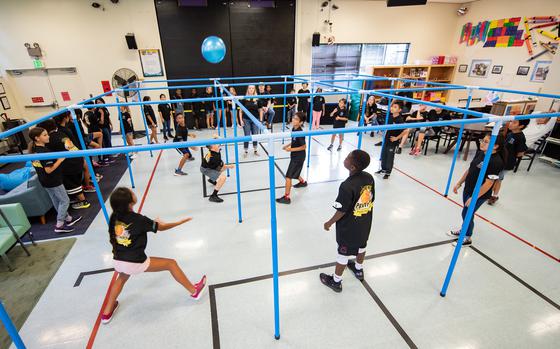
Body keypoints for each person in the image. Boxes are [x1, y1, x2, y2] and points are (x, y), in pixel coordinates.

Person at [101, 187, 206, 324]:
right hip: (135, 262)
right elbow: (161, 227)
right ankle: (194, 291)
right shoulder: (139, 219)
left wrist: (152, 223)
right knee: (171, 264)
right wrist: (179, 222)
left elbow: (137, 227)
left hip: (118, 260)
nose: (133, 193)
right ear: (129, 202)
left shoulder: (114, 217)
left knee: (122, 277)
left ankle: (106, 313)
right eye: (131, 193)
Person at [320, 150, 374, 292]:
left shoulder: (346, 186)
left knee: (343, 253)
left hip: (348, 228)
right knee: (362, 247)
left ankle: (336, 281)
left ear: (352, 167)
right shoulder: (369, 178)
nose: (345, 158)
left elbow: (341, 210)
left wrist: (329, 222)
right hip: (365, 223)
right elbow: (370, 199)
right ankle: (358, 269)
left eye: (347, 158)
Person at [448, 134, 505, 246]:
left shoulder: (496, 162)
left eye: (486, 141)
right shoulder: (480, 153)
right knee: (466, 212)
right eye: (482, 140)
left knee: (467, 213)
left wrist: (474, 197)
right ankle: (463, 231)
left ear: (495, 146)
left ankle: (467, 237)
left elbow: (489, 183)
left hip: (480, 194)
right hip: (468, 189)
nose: (481, 143)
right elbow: (470, 169)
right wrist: (460, 183)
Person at [28, 127, 82, 233]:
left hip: (45, 181)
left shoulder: (34, 150)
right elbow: (49, 170)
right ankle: (60, 224)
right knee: (65, 200)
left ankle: (68, 218)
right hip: (53, 180)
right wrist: (60, 160)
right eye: (45, 135)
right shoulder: (43, 152)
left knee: (57, 201)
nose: (48, 136)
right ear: (37, 138)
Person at [38, 119, 91, 210]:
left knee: (72, 183)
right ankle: (78, 196)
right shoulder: (61, 134)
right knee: (75, 181)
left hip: (70, 164)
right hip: (77, 159)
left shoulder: (50, 140)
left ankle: (83, 201)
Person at [488, 119, 530, 205]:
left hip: (507, 163)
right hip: (500, 160)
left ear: (521, 126)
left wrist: (510, 155)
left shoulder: (520, 137)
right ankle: (488, 193)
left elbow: (520, 153)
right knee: (493, 177)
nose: (510, 124)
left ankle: (494, 196)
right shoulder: (510, 134)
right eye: (511, 121)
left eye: (514, 123)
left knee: (498, 179)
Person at [276, 112, 308, 204]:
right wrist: (287, 145)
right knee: (295, 172)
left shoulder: (300, 132)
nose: (293, 120)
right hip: (295, 156)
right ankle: (302, 182)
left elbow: (304, 146)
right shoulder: (294, 128)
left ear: (301, 122)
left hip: (298, 157)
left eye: (296, 119)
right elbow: (294, 141)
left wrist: (290, 149)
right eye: (294, 118)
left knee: (288, 176)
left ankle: (286, 198)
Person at [376, 101, 405, 179]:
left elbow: (406, 131)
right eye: (392, 106)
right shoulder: (390, 116)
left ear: (400, 110)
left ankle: (388, 172)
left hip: (393, 142)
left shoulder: (400, 120)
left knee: (390, 157)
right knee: (384, 155)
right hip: (386, 139)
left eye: (395, 107)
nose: (392, 108)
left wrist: (397, 138)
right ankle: (383, 169)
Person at [240, 85, 261, 157]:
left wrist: (260, 120)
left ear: (254, 90)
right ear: (248, 90)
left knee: (255, 134)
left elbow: (260, 110)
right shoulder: (244, 99)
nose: (251, 89)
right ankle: (245, 151)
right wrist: (241, 120)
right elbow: (240, 111)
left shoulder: (257, 99)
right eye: (250, 88)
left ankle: (255, 150)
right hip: (246, 119)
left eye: (252, 88)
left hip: (255, 119)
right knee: (247, 135)